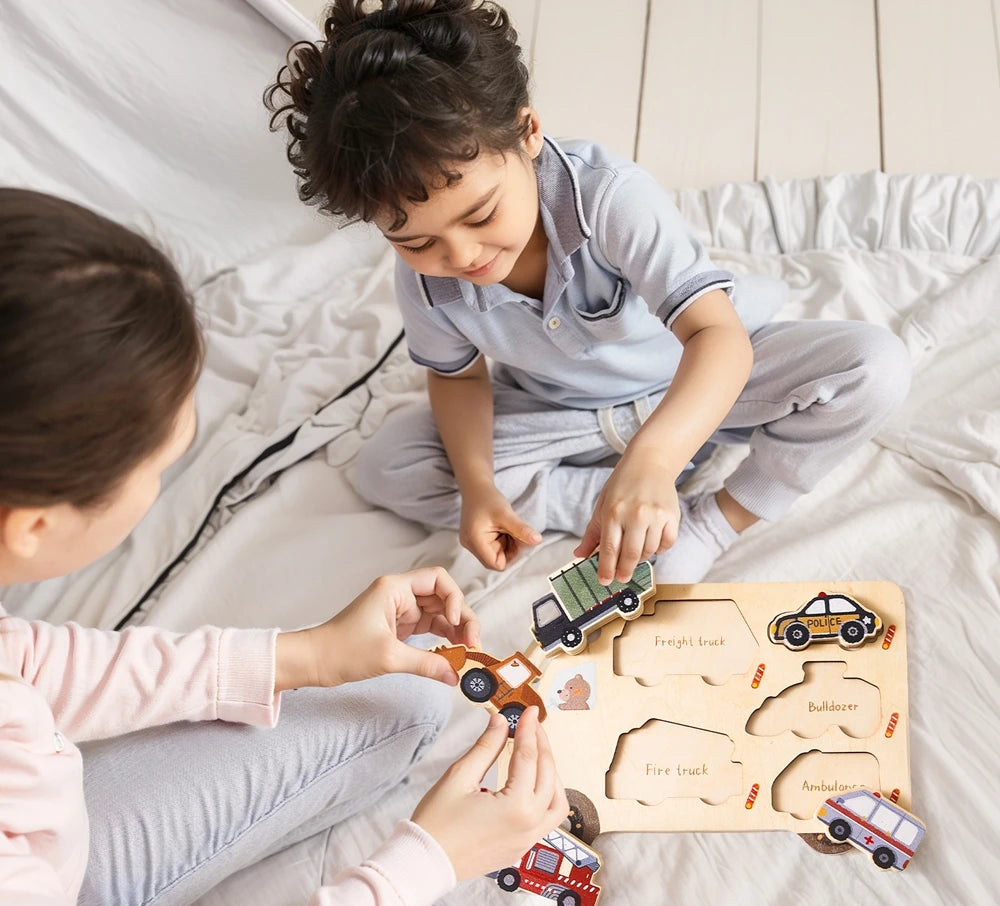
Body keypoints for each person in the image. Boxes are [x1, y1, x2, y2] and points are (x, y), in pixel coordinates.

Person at [0, 187, 564, 906]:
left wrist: (305, 656)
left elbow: (23, 659)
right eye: (157, 470)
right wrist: (425, 861)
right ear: (35, 524)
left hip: (47, 878)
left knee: (394, 687)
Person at [266, 0, 912, 588]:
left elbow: (716, 336)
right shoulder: (426, 283)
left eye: (481, 215)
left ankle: (711, 521)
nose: (459, 257)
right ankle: (621, 499)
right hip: (561, 417)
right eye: (416, 241)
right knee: (387, 464)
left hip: (700, 383)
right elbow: (459, 381)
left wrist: (656, 456)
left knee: (872, 366)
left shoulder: (608, 196)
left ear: (527, 134)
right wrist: (480, 489)